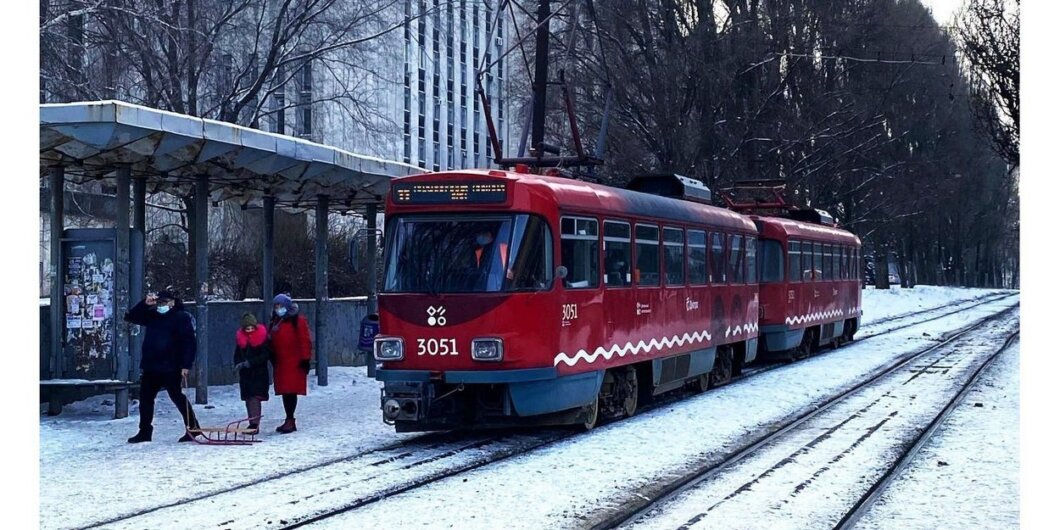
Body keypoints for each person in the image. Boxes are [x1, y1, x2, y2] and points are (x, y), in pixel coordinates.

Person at [124, 289, 201, 443]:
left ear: (172, 302)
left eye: (164, 302)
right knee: (145, 398)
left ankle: (193, 427)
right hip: (151, 365)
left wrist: (186, 365)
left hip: (171, 365)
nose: (161, 305)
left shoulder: (181, 317)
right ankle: (145, 431)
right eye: (159, 302)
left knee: (177, 397)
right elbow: (132, 317)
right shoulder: (153, 315)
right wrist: (145, 304)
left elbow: (189, 343)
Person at [269, 294, 312, 433]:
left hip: (294, 362)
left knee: (290, 392)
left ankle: (290, 419)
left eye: (280, 306)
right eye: (276, 306)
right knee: (285, 392)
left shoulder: (297, 321)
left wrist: (305, 359)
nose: (278, 309)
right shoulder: (276, 321)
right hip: (281, 362)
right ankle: (288, 419)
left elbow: (305, 340)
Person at [233, 313, 271, 435]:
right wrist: (239, 364)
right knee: (248, 398)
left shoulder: (262, 339)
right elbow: (237, 355)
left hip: (258, 374)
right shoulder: (241, 341)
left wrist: (250, 363)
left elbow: (264, 355)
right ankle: (252, 422)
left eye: (251, 328)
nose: (249, 331)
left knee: (255, 398)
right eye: (247, 328)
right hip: (246, 375)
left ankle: (254, 424)